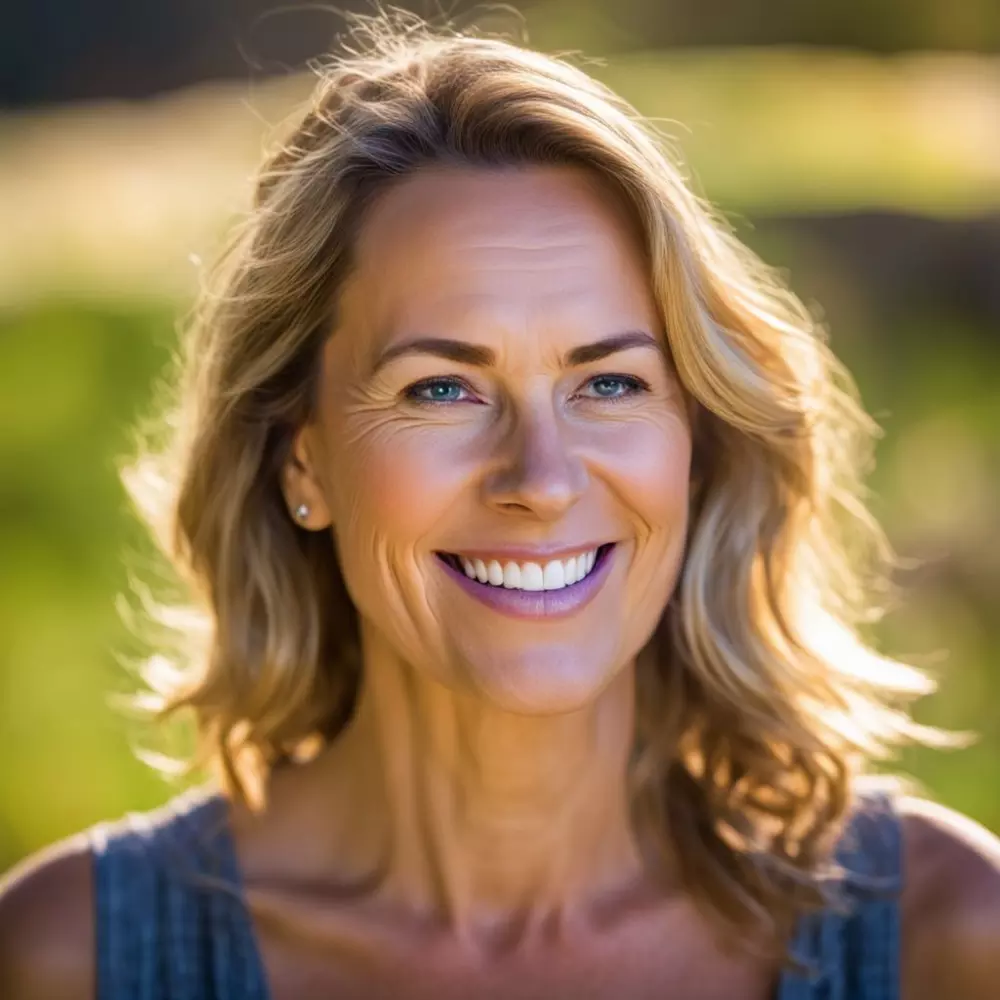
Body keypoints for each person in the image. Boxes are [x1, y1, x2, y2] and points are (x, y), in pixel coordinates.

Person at [2, 14, 999, 1000]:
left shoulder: (944, 937)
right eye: (442, 388)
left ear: (694, 445)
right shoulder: (70, 959)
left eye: (608, 383)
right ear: (300, 459)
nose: (543, 476)